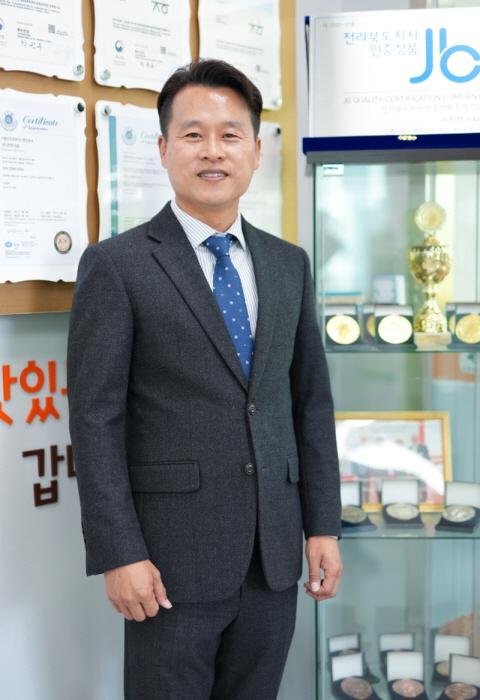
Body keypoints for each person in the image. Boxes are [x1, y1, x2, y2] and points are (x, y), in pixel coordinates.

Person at [67, 58, 343, 700]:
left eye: (230, 134)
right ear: (164, 149)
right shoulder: (118, 265)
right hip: (169, 562)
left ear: (256, 151)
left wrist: (323, 526)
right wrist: (118, 552)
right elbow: (95, 420)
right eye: (193, 134)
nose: (212, 151)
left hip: (273, 556)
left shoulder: (288, 264)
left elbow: (310, 404)